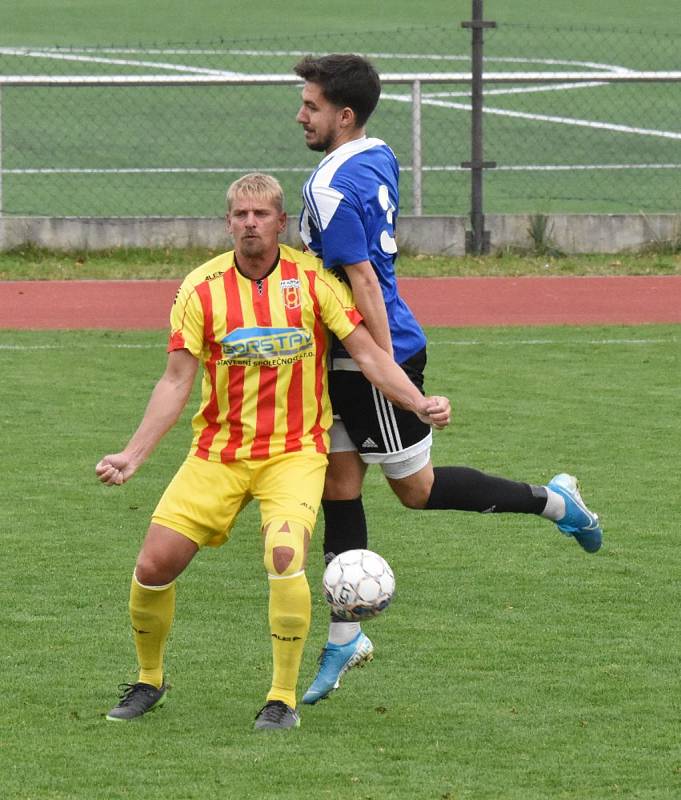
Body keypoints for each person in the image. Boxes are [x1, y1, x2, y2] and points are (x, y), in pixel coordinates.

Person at [294, 53, 603, 705]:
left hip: (369, 356)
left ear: (343, 116)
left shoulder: (329, 185)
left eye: (311, 106)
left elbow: (364, 284)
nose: (301, 115)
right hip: (340, 356)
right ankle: (345, 635)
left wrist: (381, 368)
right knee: (339, 484)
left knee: (415, 490)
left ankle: (554, 501)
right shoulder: (376, 155)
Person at [95, 173, 450, 730]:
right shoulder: (200, 288)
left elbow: (368, 353)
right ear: (228, 221)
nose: (250, 223)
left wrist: (416, 400)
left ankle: (281, 699)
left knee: (285, 556)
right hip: (218, 453)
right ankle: (149, 680)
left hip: (294, 454)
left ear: (281, 223)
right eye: (241, 214)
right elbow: (174, 381)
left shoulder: (313, 280)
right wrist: (133, 454)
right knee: (151, 567)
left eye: (262, 214)